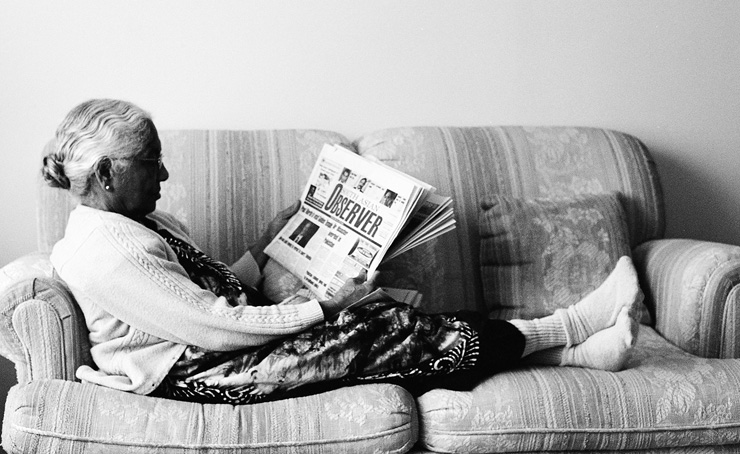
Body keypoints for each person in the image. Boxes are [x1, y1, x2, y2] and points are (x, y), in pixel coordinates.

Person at [43, 99, 642, 405]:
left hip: (220, 343)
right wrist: (327, 304)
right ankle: (573, 325)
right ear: (104, 172)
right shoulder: (104, 253)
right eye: (151, 162)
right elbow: (216, 327)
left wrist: (264, 247)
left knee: (382, 319)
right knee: (386, 334)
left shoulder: (139, 219)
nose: (165, 173)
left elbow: (212, 288)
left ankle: (575, 357)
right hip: (203, 371)